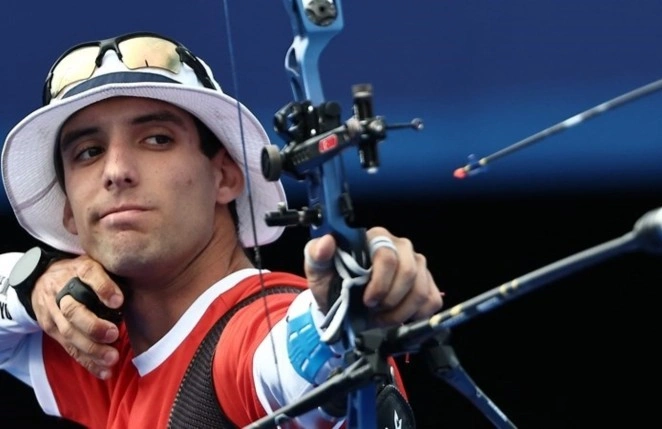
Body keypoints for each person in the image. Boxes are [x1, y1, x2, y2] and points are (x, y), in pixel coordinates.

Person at [0, 31, 443, 428]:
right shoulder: (96, 346)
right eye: (88, 151)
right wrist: (33, 282)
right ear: (69, 211)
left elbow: (284, 360)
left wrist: (346, 306)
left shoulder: (248, 332)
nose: (116, 171)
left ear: (226, 176)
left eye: (157, 139)